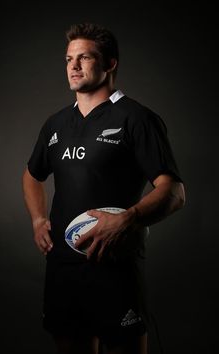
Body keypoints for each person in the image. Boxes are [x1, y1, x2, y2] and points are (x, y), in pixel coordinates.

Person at [22, 23, 185, 354]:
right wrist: (39, 219)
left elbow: (174, 191)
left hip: (115, 267)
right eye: (69, 59)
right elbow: (31, 174)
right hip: (63, 268)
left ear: (110, 63)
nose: (74, 66)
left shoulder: (136, 118)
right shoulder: (55, 124)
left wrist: (128, 219)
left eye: (85, 57)